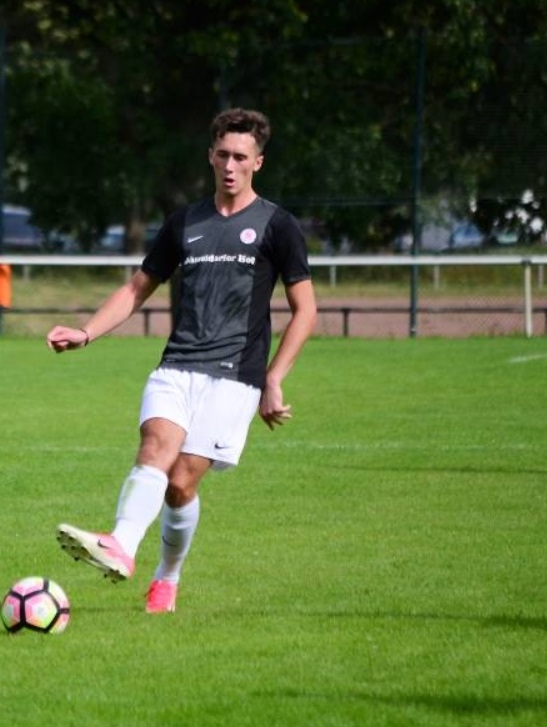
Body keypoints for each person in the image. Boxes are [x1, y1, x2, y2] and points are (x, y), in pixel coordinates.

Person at [46, 107, 317, 614]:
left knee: (180, 483)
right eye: (223, 155)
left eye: (241, 157)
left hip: (235, 378)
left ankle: (166, 577)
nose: (230, 166)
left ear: (258, 162)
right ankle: (121, 544)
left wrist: (274, 378)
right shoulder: (185, 222)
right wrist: (86, 333)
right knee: (155, 445)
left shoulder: (277, 225)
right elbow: (136, 289)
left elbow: (306, 310)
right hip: (176, 366)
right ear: (210, 156)